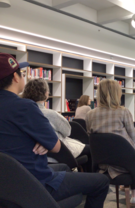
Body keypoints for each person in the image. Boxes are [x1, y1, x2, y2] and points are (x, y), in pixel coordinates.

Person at [0, 53, 109, 208]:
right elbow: (56, 147)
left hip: (6, 186)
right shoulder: (25, 106)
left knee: (64, 167)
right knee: (101, 182)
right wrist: (44, 141)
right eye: (22, 73)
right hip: (35, 183)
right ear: (15, 78)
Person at [85, 79, 135, 206]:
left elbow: (92, 140)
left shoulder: (90, 114)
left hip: (102, 163)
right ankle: (134, 191)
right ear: (117, 93)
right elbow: (134, 139)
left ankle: (129, 188)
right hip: (125, 162)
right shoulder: (123, 111)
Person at [22, 78, 92, 172]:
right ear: (46, 94)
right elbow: (68, 131)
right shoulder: (51, 114)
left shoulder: (22, 114)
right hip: (60, 154)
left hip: (33, 156)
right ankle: (89, 179)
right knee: (90, 149)